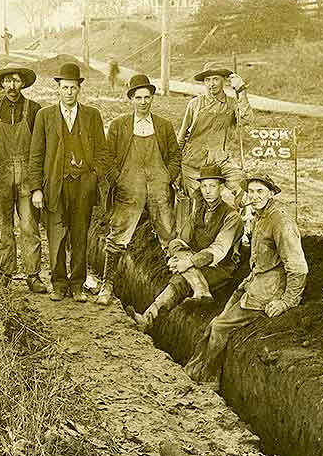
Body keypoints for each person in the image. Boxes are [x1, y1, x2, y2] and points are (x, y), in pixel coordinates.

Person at [185, 173, 307, 387]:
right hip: (254, 282)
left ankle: (209, 378)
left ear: (270, 193)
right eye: (251, 191)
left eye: (260, 191)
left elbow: (298, 267)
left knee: (221, 326)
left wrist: (286, 301)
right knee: (215, 321)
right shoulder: (260, 216)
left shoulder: (280, 221)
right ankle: (193, 369)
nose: (255, 196)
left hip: (268, 290)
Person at [27, 62, 112, 303]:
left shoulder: (92, 115)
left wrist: (93, 176)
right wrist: (36, 189)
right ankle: (59, 283)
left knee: (80, 235)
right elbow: (36, 155)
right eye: (64, 88)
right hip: (55, 185)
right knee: (56, 235)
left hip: (83, 186)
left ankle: (77, 284)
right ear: (58, 89)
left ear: (79, 89)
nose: (69, 92)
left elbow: (102, 153)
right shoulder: (45, 116)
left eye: (73, 88)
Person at [97, 74, 181, 306]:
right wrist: (119, 179)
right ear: (131, 99)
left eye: (147, 97)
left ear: (152, 98)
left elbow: (175, 155)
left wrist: (167, 177)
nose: (143, 102)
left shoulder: (163, 126)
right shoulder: (119, 126)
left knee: (168, 234)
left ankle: (175, 286)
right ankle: (107, 285)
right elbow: (106, 156)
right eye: (138, 97)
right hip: (129, 187)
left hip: (158, 187)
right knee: (118, 235)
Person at [125, 165, 242, 329]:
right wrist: (178, 258)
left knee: (180, 280)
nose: (207, 191)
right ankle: (201, 290)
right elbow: (181, 240)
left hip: (219, 267)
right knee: (174, 243)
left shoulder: (232, 217)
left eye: (212, 186)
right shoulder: (199, 211)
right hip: (194, 259)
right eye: (204, 186)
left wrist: (188, 263)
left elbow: (218, 250)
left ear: (221, 188)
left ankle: (147, 319)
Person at [0, 63, 46, 293]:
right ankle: (5, 274)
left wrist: (38, 179)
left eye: (16, 81)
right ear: (2, 84)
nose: (12, 85)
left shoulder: (34, 109)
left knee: (29, 227)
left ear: (22, 84)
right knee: (3, 229)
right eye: (8, 81)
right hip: (1, 176)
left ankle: (33, 275)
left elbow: (40, 146)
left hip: (28, 177)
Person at [177, 62, 253, 207]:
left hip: (220, 161)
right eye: (207, 80)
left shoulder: (231, 104)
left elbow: (246, 120)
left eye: (215, 79)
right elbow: (181, 137)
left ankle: (243, 225)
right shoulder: (194, 104)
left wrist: (241, 91)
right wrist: (175, 165)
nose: (211, 84)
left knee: (242, 185)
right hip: (193, 164)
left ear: (224, 81)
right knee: (199, 202)